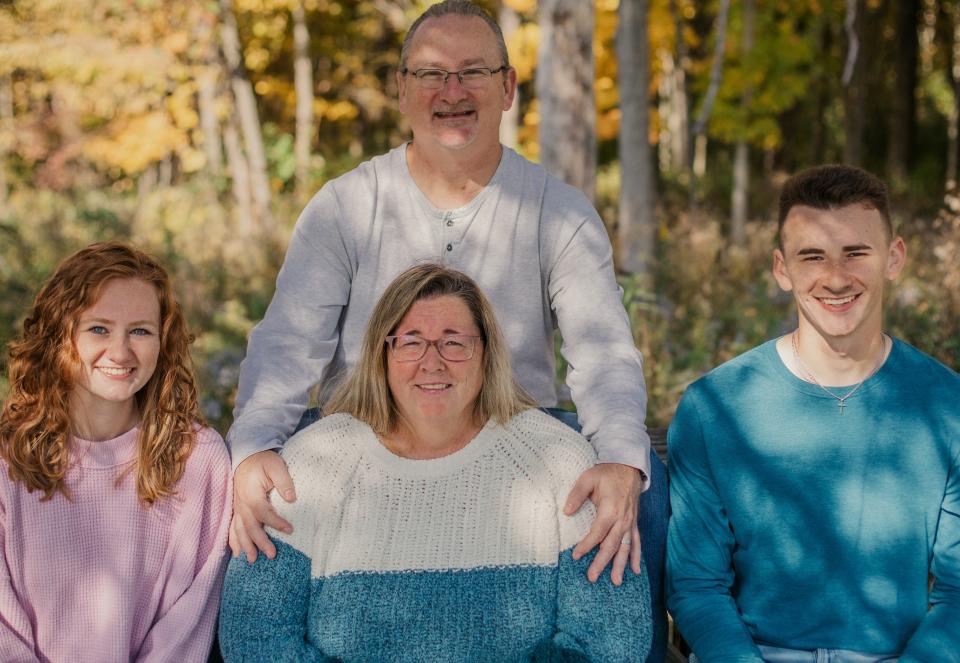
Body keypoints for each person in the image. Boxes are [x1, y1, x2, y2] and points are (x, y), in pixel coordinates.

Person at [228, 0, 654, 589]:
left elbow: (603, 354)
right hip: (368, 449)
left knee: (636, 483)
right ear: (402, 90)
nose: (451, 90)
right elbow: (287, 344)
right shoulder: (347, 207)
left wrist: (620, 460)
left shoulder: (557, 213)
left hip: (513, 454)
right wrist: (251, 448)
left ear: (506, 87)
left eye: (473, 71)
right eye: (430, 73)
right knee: (252, 498)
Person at [218, 263, 652, 662]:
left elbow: (609, 641)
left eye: (453, 342)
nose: (432, 361)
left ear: (486, 353)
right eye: (410, 342)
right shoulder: (314, 465)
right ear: (381, 355)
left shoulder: (558, 462)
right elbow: (257, 637)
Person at [666, 165, 960, 661]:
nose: (836, 278)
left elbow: (957, 592)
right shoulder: (714, 407)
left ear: (894, 258)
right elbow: (696, 585)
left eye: (856, 254)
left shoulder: (946, 406)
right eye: (813, 256)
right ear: (783, 269)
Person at [0, 242, 232, 662]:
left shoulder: (198, 461)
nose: (121, 352)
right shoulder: (6, 461)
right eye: (99, 329)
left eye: (140, 330)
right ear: (59, 335)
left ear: (164, 340)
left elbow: (184, 632)